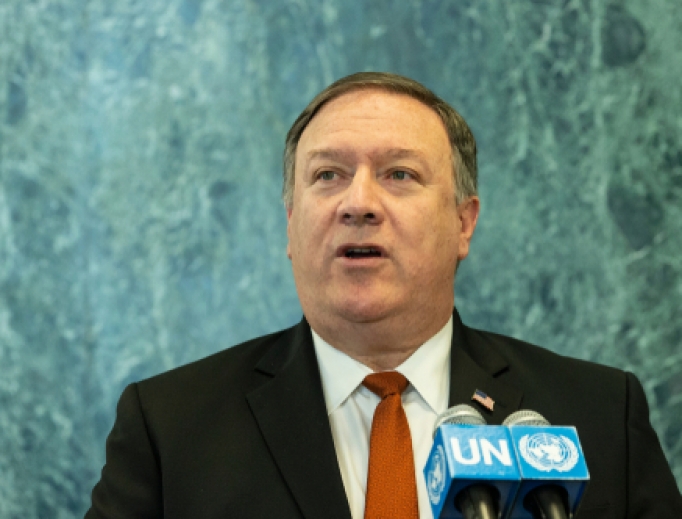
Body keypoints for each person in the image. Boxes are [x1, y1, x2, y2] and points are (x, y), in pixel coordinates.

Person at [85, 72, 682, 519]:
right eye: (327, 175)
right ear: (291, 224)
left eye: (399, 174)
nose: (359, 202)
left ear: (463, 223)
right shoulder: (170, 427)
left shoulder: (600, 415)